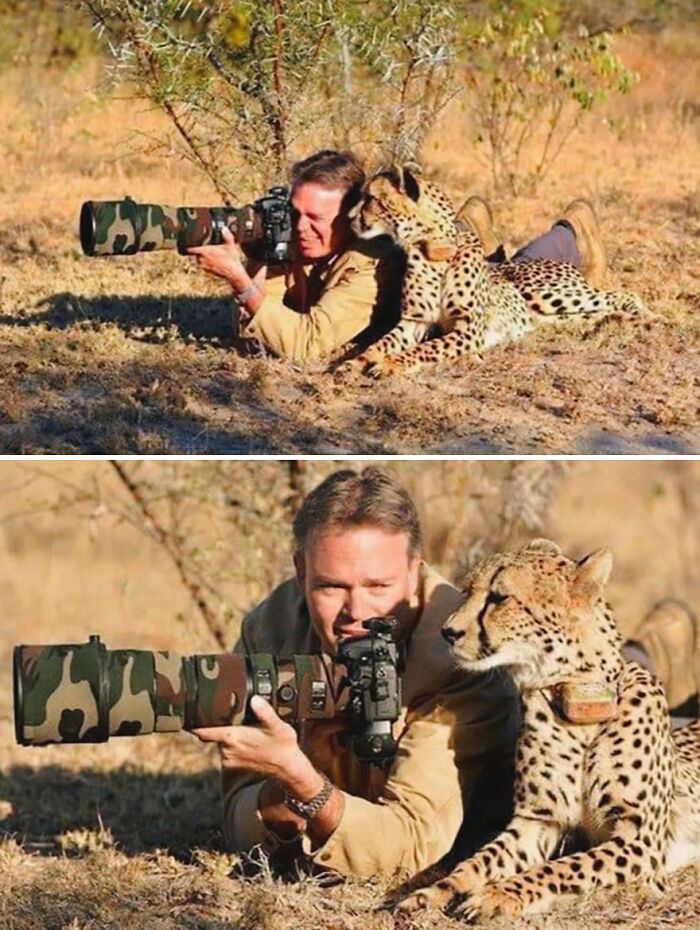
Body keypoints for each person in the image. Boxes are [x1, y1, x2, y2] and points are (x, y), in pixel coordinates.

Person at [193, 467, 519, 878]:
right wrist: (291, 778)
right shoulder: (275, 626)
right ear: (301, 571)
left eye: (378, 587)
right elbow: (238, 814)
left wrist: (301, 779)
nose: (357, 612)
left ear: (414, 570)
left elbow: (408, 848)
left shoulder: (461, 657)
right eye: (331, 587)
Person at [187, 149, 609, 365]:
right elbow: (262, 323)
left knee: (514, 275)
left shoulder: (367, 264)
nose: (300, 228)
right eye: (294, 214)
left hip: (456, 276)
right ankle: (470, 227)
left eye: (315, 218)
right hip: (433, 247)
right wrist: (259, 253)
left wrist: (239, 280)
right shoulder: (304, 237)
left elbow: (304, 343)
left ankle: (570, 233)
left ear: (351, 217)